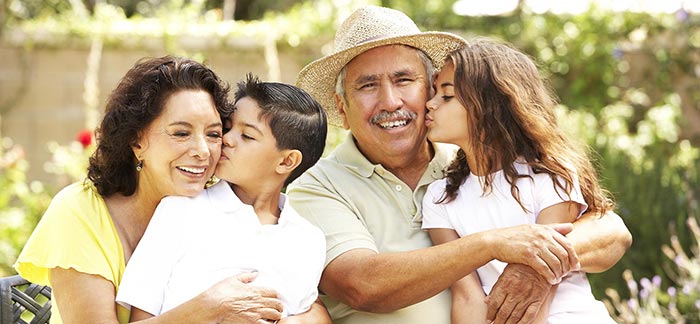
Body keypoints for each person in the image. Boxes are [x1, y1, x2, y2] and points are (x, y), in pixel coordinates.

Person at [287, 5, 633, 324]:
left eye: (404, 80)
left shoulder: (473, 159)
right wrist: (493, 245)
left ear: (429, 89)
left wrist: (534, 264)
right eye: (367, 86)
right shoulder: (316, 187)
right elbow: (361, 284)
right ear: (342, 108)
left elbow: (612, 232)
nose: (390, 101)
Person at [13, 56, 326, 324]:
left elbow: (310, 306)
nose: (204, 150)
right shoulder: (80, 212)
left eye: (215, 132)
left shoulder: (278, 225)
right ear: (137, 141)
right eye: (181, 132)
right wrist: (208, 308)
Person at [422, 38, 615, 323]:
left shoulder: (549, 177)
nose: (430, 103)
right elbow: (466, 296)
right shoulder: (440, 197)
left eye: (447, 96)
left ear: (489, 107)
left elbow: (540, 291)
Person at [115, 74, 329, 323]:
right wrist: (209, 309)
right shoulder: (179, 212)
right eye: (228, 128)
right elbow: (140, 320)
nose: (225, 139)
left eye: (247, 135)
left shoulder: (308, 240)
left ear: (286, 161)